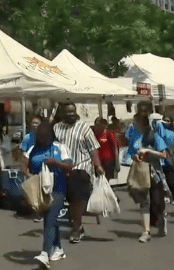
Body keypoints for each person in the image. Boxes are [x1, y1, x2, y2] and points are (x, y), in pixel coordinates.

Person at [21, 120, 72, 268]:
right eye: (39, 136)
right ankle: (58, 248)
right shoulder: (32, 149)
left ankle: (45, 253)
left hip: (58, 189)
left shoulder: (60, 147)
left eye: (44, 136)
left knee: (49, 219)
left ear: (50, 135)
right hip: (41, 191)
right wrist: (29, 176)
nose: (42, 138)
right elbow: (24, 166)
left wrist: (55, 162)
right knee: (51, 220)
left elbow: (69, 166)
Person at [52, 103, 103, 244]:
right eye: (67, 112)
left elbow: (93, 148)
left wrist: (98, 165)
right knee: (65, 199)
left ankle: (76, 228)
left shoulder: (84, 127)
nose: (70, 114)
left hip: (81, 167)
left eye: (72, 111)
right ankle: (77, 225)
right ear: (62, 113)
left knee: (76, 197)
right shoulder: (56, 128)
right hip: (62, 168)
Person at [125, 111, 169, 243]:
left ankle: (161, 221)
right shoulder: (134, 136)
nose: (134, 124)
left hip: (154, 172)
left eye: (136, 122)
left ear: (142, 123)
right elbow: (130, 152)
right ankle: (146, 231)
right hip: (140, 171)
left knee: (156, 202)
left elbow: (163, 154)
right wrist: (135, 156)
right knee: (144, 201)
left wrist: (148, 151)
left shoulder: (154, 136)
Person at [93, 118, 119, 182]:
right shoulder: (93, 135)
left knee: (107, 180)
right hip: (97, 162)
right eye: (96, 125)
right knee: (98, 180)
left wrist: (117, 163)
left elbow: (115, 148)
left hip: (108, 162)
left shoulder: (109, 134)